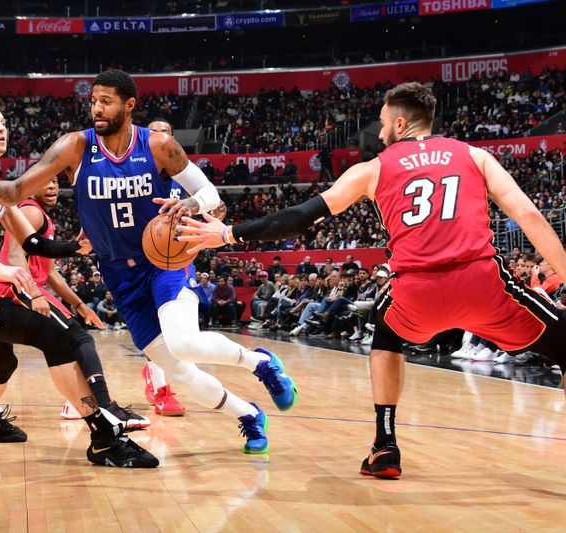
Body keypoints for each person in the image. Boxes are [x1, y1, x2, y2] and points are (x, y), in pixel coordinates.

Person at [177, 81, 566, 477]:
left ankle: (384, 446)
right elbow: (530, 217)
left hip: (415, 292)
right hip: (481, 283)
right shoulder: (475, 156)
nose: (379, 134)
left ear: (400, 124)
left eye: (382, 125)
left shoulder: (373, 169)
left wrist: (228, 234)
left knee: (386, 331)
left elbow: (298, 218)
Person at [0, 71, 298, 454]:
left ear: (129, 105)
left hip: (164, 261)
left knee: (184, 341)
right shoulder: (74, 146)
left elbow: (207, 191)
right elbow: (19, 188)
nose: (97, 109)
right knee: (175, 370)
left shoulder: (158, 145)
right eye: (93, 101)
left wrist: (192, 203)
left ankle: (261, 363)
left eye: (106, 101)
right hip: (119, 275)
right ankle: (249, 415)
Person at [0, 96, 156, 468]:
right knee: (56, 337)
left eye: (2, 122)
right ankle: (103, 437)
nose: (0, 127)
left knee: (2, 362)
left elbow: (33, 242)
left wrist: (76, 247)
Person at [0, 176, 149, 429]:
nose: (52, 185)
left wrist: (80, 306)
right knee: (80, 339)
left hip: (24, 287)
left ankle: (79, 402)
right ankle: (105, 407)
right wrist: (33, 294)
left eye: (55, 182)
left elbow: (51, 273)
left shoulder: (42, 217)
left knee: (68, 343)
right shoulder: (31, 212)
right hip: (17, 288)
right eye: (46, 181)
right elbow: (14, 256)